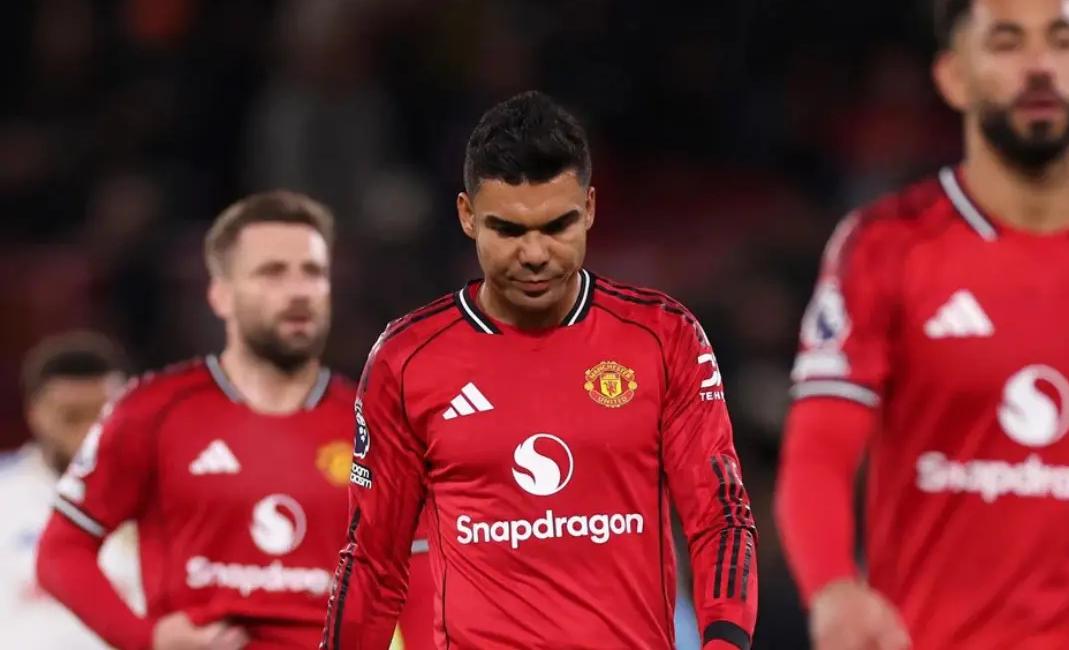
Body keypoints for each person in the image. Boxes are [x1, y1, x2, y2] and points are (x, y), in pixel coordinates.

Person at [774, 0, 1069, 650]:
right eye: (1007, 43)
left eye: (1061, 40)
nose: (1039, 65)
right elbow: (820, 451)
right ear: (953, 77)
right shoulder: (885, 246)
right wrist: (832, 587)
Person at [320, 90, 758, 650]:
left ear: (592, 209)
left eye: (557, 226)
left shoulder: (663, 338)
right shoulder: (407, 360)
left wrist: (723, 642)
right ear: (467, 217)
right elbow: (374, 563)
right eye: (508, 230)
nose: (534, 253)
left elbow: (719, 516)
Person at [36, 191, 387, 650]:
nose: (299, 290)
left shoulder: (372, 424)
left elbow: (419, 567)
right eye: (272, 272)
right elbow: (61, 552)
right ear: (220, 295)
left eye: (313, 272)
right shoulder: (151, 410)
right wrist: (148, 638)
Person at [0, 332, 143, 647]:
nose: (89, 432)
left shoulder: (166, 498)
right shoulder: (5, 494)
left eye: (103, 414)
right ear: (34, 413)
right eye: (71, 417)